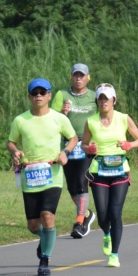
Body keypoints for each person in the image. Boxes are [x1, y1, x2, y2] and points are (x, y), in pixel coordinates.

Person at [7, 78, 77, 276]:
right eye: (34, 93)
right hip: (30, 176)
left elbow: (72, 138)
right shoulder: (20, 120)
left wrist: (66, 152)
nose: (38, 96)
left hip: (52, 175)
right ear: (29, 96)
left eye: (42, 92)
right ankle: (45, 238)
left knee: (47, 215)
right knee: (33, 225)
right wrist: (15, 151)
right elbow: (11, 142)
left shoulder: (59, 118)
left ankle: (45, 260)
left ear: (49, 95)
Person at [81, 83, 138, 268]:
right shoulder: (91, 121)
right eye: (100, 98)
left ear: (114, 100)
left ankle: (114, 255)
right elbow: (84, 144)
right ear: (97, 101)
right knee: (102, 215)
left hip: (119, 172)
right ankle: (106, 233)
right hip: (99, 171)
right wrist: (89, 148)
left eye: (107, 98)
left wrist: (129, 145)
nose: (103, 102)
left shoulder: (124, 118)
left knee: (115, 213)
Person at [50, 63, 97, 239]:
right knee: (71, 186)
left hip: (86, 145)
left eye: (82, 75)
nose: (79, 78)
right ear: (71, 77)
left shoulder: (94, 96)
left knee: (81, 181)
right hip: (68, 145)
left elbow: (103, 116)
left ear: (87, 78)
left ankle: (79, 222)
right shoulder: (62, 95)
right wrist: (62, 113)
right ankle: (86, 214)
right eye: (75, 75)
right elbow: (51, 119)